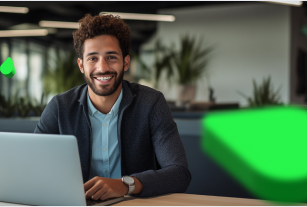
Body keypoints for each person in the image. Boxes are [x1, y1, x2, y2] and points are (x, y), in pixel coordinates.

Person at [34, 13, 191, 200]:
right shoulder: (60, 107)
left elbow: (179, 173)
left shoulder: (151, 103)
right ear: (81, 65)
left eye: (111, 57)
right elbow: (33, 164)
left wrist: (125, 185)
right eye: (92, 58)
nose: (102, 68)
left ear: (125, 62)